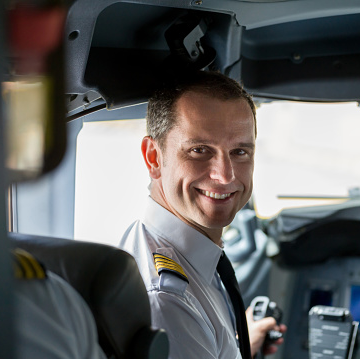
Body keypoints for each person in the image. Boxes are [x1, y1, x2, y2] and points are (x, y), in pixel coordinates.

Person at [120, 71, 286, 359]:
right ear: (154, 158)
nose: (225, 175)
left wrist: (234, 344)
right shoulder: (168, 302)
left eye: (240, 152)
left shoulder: (185, 262)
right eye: (199, 150)